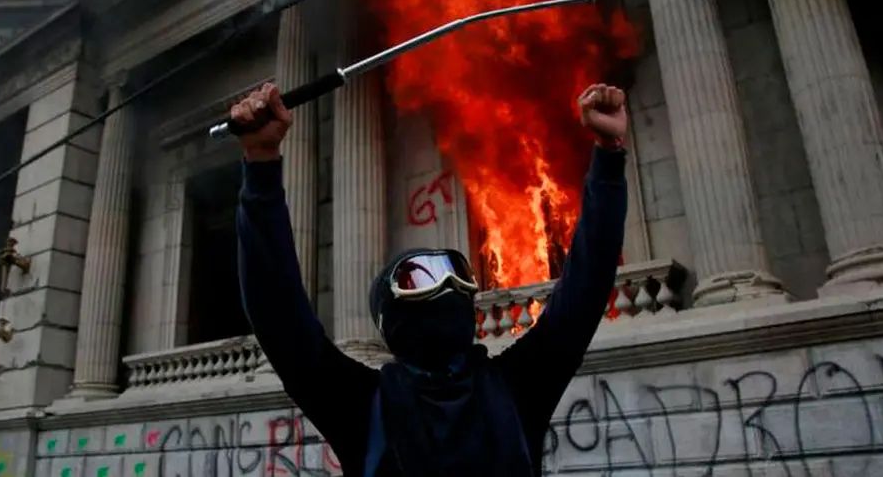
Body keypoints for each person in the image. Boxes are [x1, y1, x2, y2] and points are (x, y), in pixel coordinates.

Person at [233, 80, 628, 477]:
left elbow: (585, 287)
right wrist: (261, 161)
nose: (446, 285)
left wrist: (609, 157)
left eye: (456, 272)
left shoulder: (517, 385)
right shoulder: (361, 404)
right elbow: (279, 315)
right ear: (389, 314)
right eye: (417, 276)